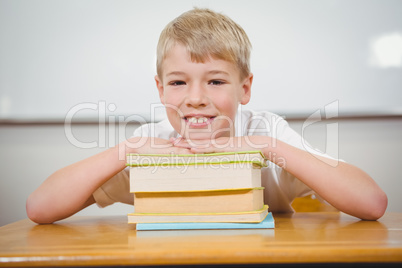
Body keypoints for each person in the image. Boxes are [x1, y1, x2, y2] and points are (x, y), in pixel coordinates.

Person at [26, 8, 387, 224]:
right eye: (179, 82)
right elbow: (39, 208)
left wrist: (266, 146)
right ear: (160, 89)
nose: (196, 99)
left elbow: (372, 202)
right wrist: (125, 151)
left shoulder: (263, 131)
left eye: (215, 81)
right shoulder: (152, 145)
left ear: (244, 89)